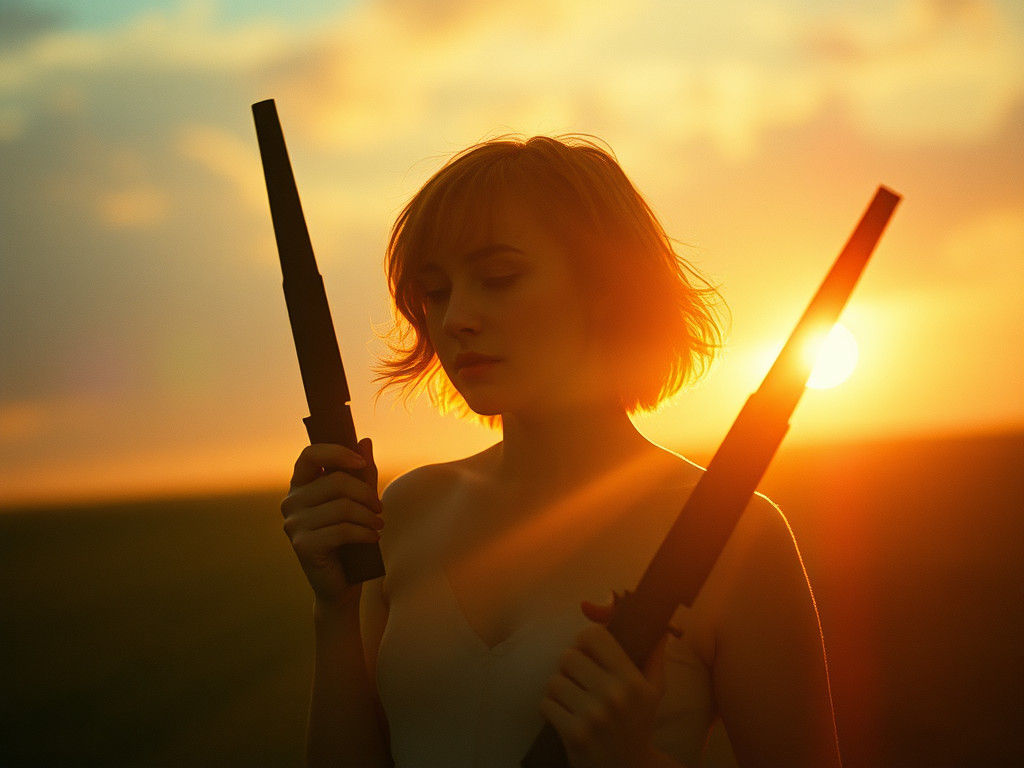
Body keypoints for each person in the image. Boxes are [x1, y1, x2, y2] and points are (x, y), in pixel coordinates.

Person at [280, 136, 842, 767]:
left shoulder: (740, 536)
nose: (456, 317)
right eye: (434, 292)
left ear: (606, 285)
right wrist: (333, 610)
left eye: (498, 278)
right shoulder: (406, 512)